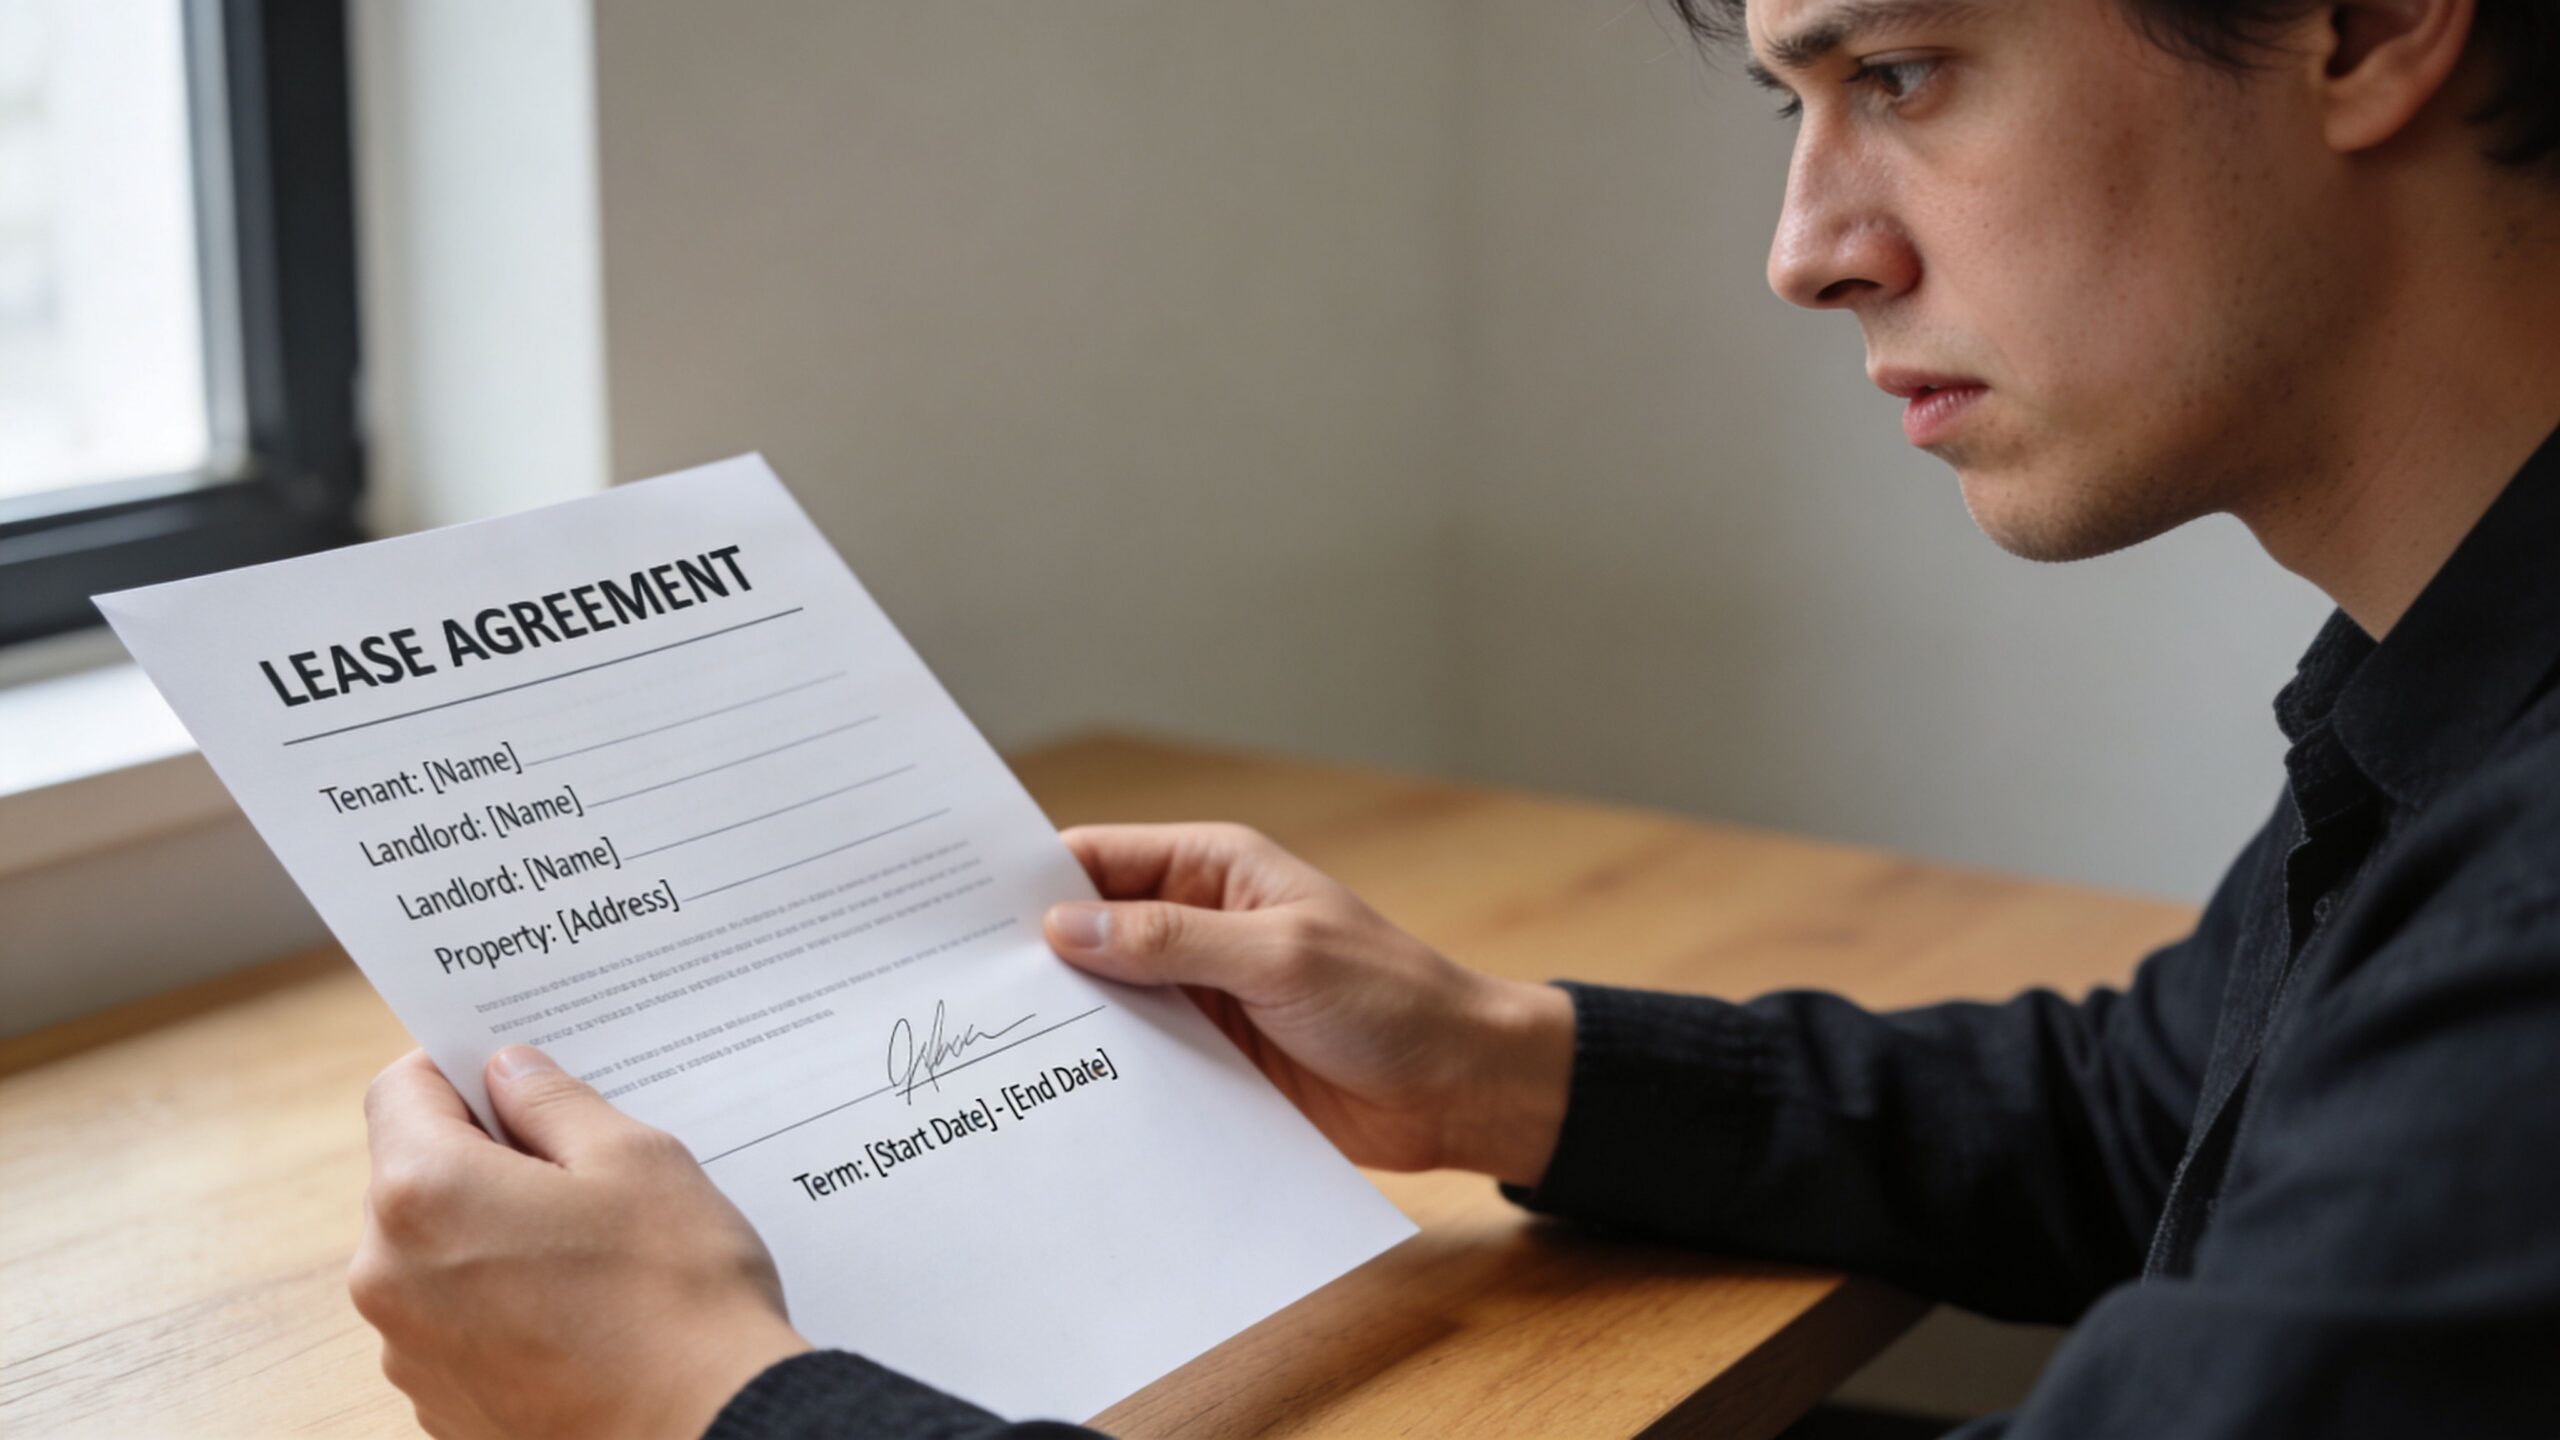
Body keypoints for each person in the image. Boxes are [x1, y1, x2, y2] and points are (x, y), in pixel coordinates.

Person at [349, 0, 2560, 1434]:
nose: (1804, 249)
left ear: (2360, 25)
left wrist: (714, 1409)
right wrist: (1505, 1064)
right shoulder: (2459, 709)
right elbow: (2164, 1113)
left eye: (1894, 72)